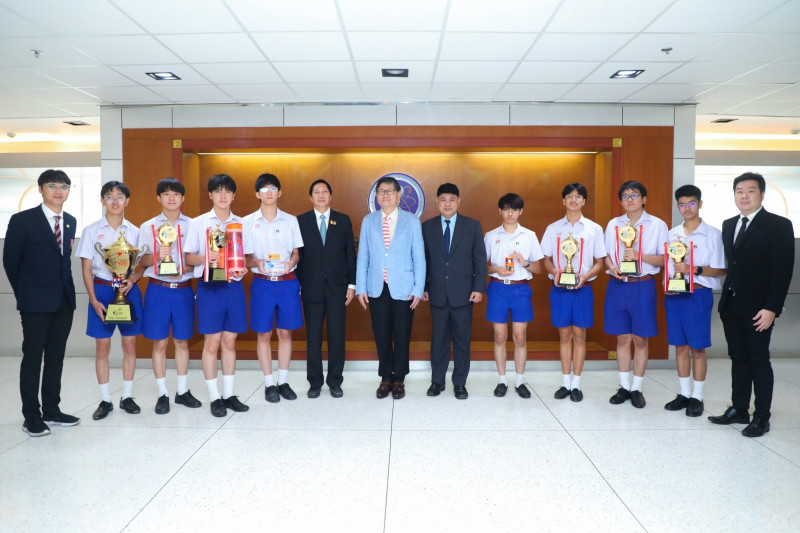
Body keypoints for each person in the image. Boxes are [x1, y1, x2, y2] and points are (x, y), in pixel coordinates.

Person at [709, 172, 795, 437]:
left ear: (762, 194)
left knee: (758, 360)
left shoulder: (779, 225)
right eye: (739, 191)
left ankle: (761, 417)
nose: (744, 196)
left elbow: (783, 271)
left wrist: (772, 308)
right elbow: (733, 265)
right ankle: (739, 409)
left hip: (760, 309)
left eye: (750, 190)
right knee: (738, 358)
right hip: (731, 305)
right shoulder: (728, 224)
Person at [4, 169, 80, 436]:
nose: (59, 191)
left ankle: (52, 410)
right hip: (34, 302)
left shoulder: (70, 221)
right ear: (40, 189)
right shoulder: (23, 220)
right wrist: (25, 294)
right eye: (52, 185)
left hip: (63, 301)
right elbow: (10, 261)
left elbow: (62, 261)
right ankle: (31, 416)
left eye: (64, 186)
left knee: (56, 358)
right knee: (33, 358)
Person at [76, 181, 145, 421]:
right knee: (103, 347)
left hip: (128, 291)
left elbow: (142, 266)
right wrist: (94, 300)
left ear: (128, 201)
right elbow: (86, 269)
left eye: (120, 196)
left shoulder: (136, 231)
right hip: (102, 290)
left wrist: (133, 279)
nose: (115, 201)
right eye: (109, 196)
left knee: (130, 345)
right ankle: (105, 400)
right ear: (102, 201)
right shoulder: (91, 231)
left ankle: (127, 396)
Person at [185, 174, 250, 417]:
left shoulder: (241, 223)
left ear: (233, 195)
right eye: (218, 191)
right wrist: (205, 258)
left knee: (230, 341)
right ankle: (214, 397)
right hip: (209, 286)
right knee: (212, 342)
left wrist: (243, 267)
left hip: (233, 287)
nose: (223, 195)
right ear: (210, 195)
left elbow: (247, 256)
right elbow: (188, 257)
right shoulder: (198, 223)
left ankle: (229, 395)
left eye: (227, 191)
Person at [356, 176, 425, 400]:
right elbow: (363, 256)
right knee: (381, 333)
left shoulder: (411, 221)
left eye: (390, 191)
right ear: (376, 196)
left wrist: (418, 288)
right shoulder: (368, 221)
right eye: (381, 191)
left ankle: (399, 379)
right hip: (377, 287)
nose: (385, 195)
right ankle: (386, 377)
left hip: (404, 287)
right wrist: (361, 288)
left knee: (402, 334)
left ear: (398, 195)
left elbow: (419, 258)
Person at [137, 177, 202, 414]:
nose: (171, 198)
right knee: (160, 342)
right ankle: (162, 393)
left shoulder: (193, 225)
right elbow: (141, 261)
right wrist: (157, 254)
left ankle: (182, 392)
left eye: (176, 194)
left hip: (183, 290)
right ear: (159, 198)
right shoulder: (148, 227)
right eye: (166, 194)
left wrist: (182, 269)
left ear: (183, 198)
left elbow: (197, 259)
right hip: (158, 289)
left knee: (182, 341)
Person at [603, 180, 668, 409]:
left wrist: (640, 256)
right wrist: (612, 267)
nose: (629, 200)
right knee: (622, 338)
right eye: (625, 196)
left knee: (640, 339)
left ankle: (637, 388)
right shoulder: (613, 224)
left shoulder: (657, 225)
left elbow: (664, 259)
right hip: (618, 284)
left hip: (642, 285)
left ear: (644, 199)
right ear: (621, 201)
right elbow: (606, 254)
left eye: (634, 195)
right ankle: (624, 386)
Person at [663, 185, 725, 417]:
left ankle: (697, 397)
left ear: (700, 204)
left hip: (698, 295)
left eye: (691, 203)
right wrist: (667, 284)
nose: (686, 208)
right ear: (677, 206)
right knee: (679, 346)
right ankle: (684, 393)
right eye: (682, 204)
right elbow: (668, 266)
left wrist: (693, 269)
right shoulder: (672, 234)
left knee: (697, 347)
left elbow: (721, 270)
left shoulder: (713, 234)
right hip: (675, 295)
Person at [541, 183, 606, 403]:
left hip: (583, 289)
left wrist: (585, 277)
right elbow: (546, 259)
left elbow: (600, 262)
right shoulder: (553, 228)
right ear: (563, 201)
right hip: (559, 289)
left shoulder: (594, 229)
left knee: (579, 335)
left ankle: (576, 384)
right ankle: (565, 383)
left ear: (584, 201)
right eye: (569, 196)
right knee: (564, 335)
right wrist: (555, 273)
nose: (574, 200)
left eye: (578, 196)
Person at [421, 183, 486, 400]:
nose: (447, 204)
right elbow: (423, 260)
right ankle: (437, 381)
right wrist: (424, 287)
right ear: (437, 202)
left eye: (451, 199)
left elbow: (479, 259)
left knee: (461, 340)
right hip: (437, 292)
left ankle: (459, 383)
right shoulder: (427, 227)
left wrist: (479, 288)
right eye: (443, 199)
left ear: (458, 201)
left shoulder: (472, 226)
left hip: (464, 293)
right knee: (438, 340)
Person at [244, 173, 304, 404]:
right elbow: (245, 259)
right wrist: (257, 262)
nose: (268, 192)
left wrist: (291, 262)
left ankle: (283, 381)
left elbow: (296, 253)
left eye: (273, 188)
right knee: (264, 333)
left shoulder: (291, 221)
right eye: (264, 189)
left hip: (287, 282)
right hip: (263, 283)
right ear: (257, 194)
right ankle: (269, 383)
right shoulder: (248, 222)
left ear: (280, 193)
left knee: (285, 333)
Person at [296, 179, 356, 399]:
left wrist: (352, 285)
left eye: (324, 192)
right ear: (310, 197)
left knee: (337, 336)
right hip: (310, 287)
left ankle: (335, 381)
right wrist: (298, 284)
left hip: (337, 288)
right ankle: (314, 382)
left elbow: (350, 254)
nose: (321, 195)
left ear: (331, 196)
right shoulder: (301, 221)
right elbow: (297, 256)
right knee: (313, 337)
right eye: (316, 192)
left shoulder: (343, 220)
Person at [484, 193, 543, 399]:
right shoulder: (491, 236)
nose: (510, 213)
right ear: (500, 211)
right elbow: (481, 266)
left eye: (514, 209)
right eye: (506, 209)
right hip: (498, 289)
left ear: (520, 211)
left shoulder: (529, 235)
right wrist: (496, 269)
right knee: (500, 336)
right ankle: (502, 380)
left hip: (520, 289)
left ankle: (519, 381)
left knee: (520, 337)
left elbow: (538, 268)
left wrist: (525, 262)